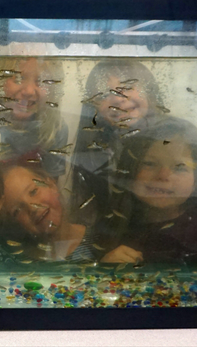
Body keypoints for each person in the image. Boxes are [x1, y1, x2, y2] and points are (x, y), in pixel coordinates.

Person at [100, 117, 197, 264]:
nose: (163, 176)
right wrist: (107, 268)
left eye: (180, 167)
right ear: (129, 170)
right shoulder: (115, 221)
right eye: (149, 164)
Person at [69, 60, 167, 226]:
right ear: (95, 107)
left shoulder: (171, 140)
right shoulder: (98, 150)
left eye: (127, 87)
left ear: (149, 92)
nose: (118, 99)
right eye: (105, 94)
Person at [0, 57, 69, 177]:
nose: (29, 91)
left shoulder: (55, 128)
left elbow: (51, 187)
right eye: (19, 79)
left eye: (40, 81)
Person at [2, 164, 102, 262]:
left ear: (52, 185)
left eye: (33, 191)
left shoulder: (101, 241)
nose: (32, 208)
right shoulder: (18, 261)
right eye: (17, 210)